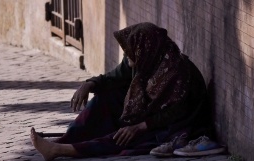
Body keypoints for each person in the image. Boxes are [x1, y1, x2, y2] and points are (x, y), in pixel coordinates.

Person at [30, 22, 217, 160]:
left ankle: (60, 150)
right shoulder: (146, 57)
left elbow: (177, 112)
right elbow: (115, 77)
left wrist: (140, 126)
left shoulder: (176, 71)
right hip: (152, 112)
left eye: (129, 52)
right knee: (105, 97)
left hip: (177, 125)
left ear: (144, 49)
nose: (127, 57)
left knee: (126, 137)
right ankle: (65, 140)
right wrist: (89, 84)